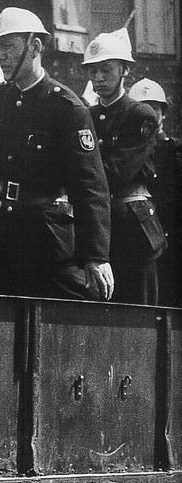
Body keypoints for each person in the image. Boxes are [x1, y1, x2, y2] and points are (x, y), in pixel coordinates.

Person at [0, 7, 113, 301]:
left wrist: (96, 255)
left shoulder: (66, 108)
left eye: (9, 47)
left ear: (34, 47)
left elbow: (90, 187)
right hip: (0, 226)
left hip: (47, 233)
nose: (1, 56)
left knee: (74, 310)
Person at [82, 29, 166, 304]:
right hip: (98, 230)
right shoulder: (87, 116)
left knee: (139, 314)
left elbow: (118, 173)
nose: (98, 77)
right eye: (92, 71)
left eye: (105, 70)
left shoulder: (140, 115)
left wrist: (78, 176)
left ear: (124, 70)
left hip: (132, 227)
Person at [129, 77, 179, 305]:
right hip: (141, 243)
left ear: (163, 114)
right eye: (143, 108)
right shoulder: (127, 153)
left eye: (155, 108)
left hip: (172, 244)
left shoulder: (175, 152)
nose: (149, 114)